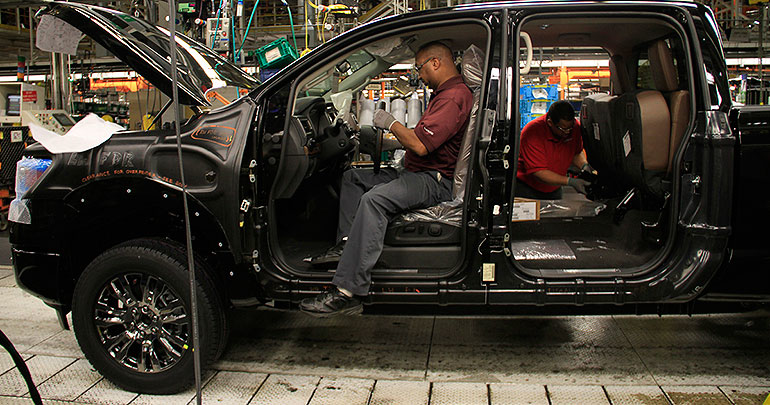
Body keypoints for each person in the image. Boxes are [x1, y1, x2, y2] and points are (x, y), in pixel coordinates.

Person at [300, 41, 473, 316]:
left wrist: (390, 123)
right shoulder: (444, 94)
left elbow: (421, 146)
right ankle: (347, 249)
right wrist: (392, 143)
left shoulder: (453, 97)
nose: (420, 75)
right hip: (418, 170)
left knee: (374, 200)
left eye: (420, 68)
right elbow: (425, 139)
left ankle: (348, 290)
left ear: (435, 63)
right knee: (354, 179)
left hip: (433, 180)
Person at [516, 101, 593, 200]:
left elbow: (575, 153)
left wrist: (584, 165)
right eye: (563, 129)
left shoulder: (575, 128)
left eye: (570, 128)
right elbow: (539, 172)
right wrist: (570, 182)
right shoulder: (532, 133)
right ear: (550, 122)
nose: (567, 132)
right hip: (528, 189)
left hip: (555, 187)